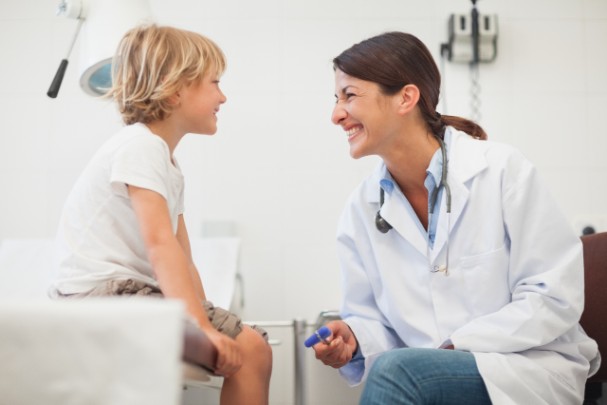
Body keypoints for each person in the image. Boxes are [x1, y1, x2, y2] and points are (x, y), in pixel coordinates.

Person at [311, 31, 600, 404]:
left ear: (406, 97)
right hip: (428, 374)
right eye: (336, 99)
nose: (336, 114)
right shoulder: (362, 208)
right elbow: (374, 322)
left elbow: (553, 297)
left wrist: (456, 345)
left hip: (524, 368)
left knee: (397, 373)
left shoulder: (500, 171)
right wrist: (354, 339)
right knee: (398, 370)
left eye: (349, 95)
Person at [50, 24, 272, 405]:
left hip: (111, 295)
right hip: (104, 298)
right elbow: (159, 244)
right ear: (174, 91)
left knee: (249, 347)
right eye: (214, 83)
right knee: (252, 352)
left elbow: (182, 254)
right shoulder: (142, 147)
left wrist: (205, 317)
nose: (224, 96)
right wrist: (201, 327)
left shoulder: (162, 160)